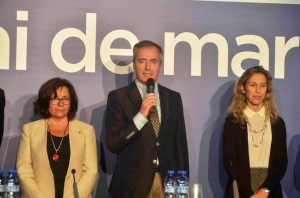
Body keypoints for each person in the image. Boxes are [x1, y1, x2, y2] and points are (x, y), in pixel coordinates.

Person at [105, 40, 189, 198]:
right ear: (134, 64)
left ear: (160, 65)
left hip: (167, 184)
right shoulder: (118, 97)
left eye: (154, 61)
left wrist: (182, 189)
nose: (148, 68)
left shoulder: (173, 98)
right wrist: (141, 116)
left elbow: (180, 147)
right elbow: (113, 144)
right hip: (131, 186)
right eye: (142, 61)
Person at [17, 78, 98, 198]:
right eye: (55, 98)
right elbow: (24, 171)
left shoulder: (86, 130)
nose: (60, 103)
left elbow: (91, 171)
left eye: (65, 98)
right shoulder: (29, 130)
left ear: (71, 102)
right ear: (46, 101)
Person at [223, 66, 288, 198]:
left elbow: (281, 163)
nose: (258, 90)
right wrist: (249, 194)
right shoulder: (233, 122)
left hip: (270, 188)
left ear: (267, 90)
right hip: (240, 189)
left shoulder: (277, 123)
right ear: (243, 88)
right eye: (253, 85)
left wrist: (266, 190)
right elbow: (230, 161)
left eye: (262, 85)